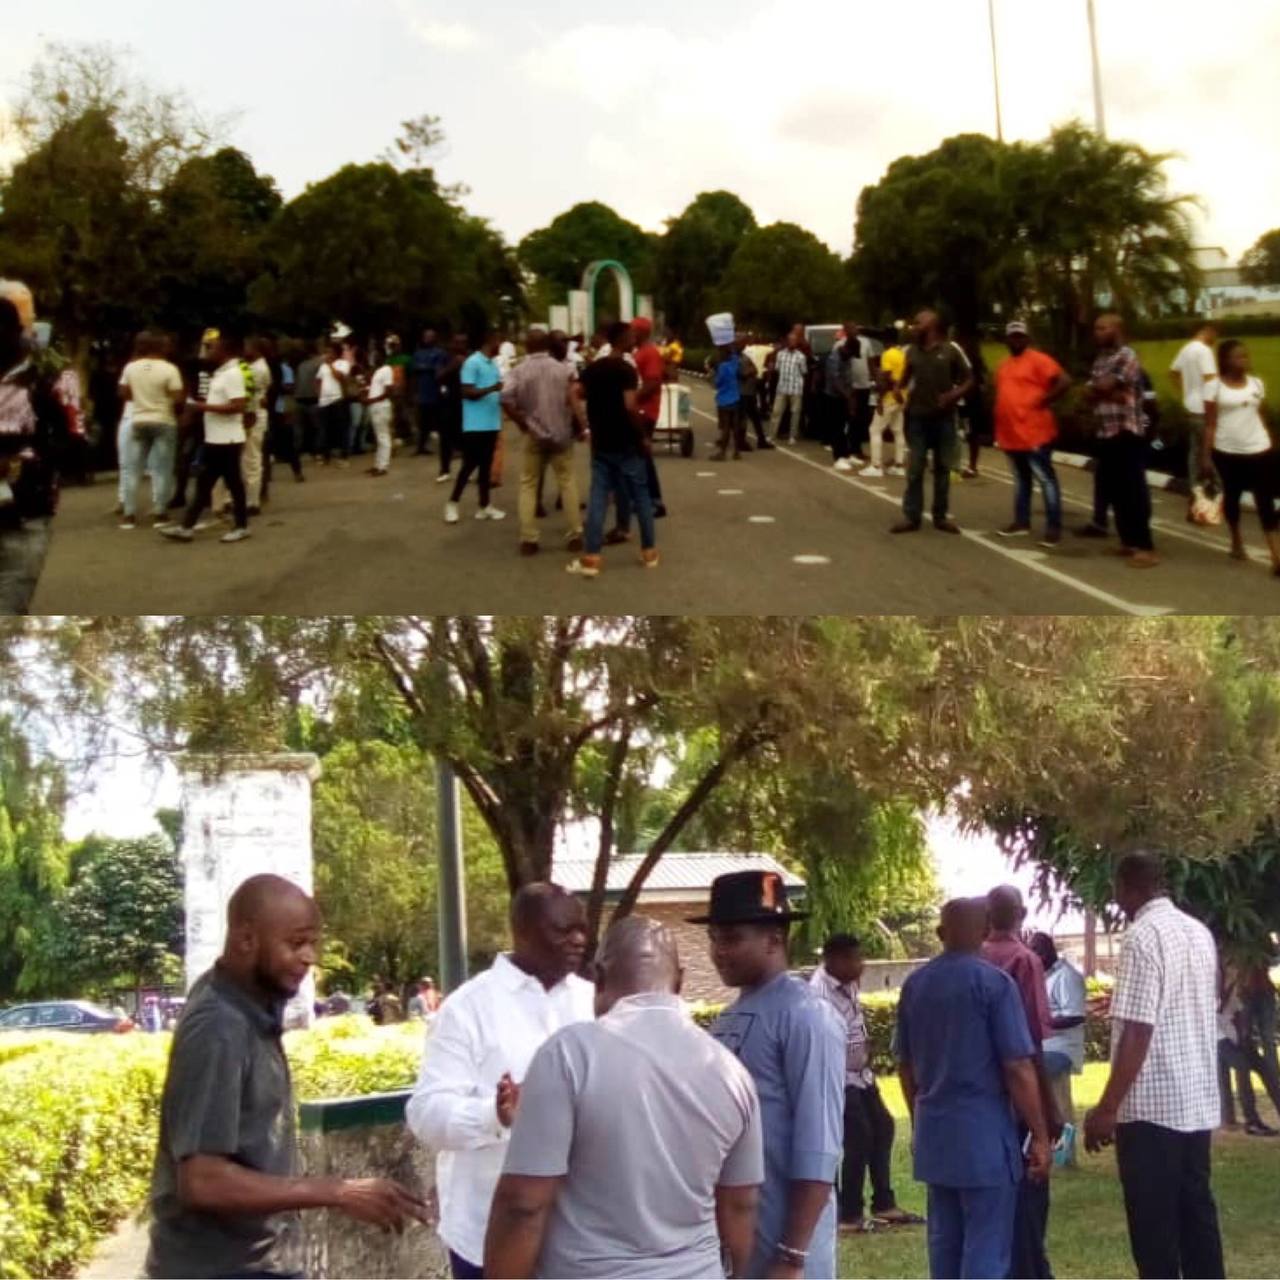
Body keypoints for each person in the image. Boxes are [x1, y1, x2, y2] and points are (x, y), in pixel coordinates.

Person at [145, 874, 428, 1278]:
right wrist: (337, 1191)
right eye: (296, 943)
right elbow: (202, 1180)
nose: (310, 957)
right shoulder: (219, 1026)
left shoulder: (246, 1004)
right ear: (246, 941)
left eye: (313, 944)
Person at [484, 917, 764, 1280]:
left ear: (598, 977)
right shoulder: (732, 1074)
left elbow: (523, 1205)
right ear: (679, 981)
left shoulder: (569, 1056)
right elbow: (741, 1205)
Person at [406, 883, 594, 1279]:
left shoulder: (593, 1002)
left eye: (582, 928)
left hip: (579, 1235)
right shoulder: (468, 1008)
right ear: (522, 931)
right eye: (564, 930)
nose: (579, 940)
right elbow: (426, 1113)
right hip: (488, 1235)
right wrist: (495, 1116)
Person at [696, 870, 844, 1279]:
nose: (718, 952)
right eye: (714, 939)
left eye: (731, 939)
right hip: (735, 1240)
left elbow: (820, 1147)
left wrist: (792, 1255)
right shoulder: (725, 1020)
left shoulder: (807, 1016)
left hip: (787, 1246)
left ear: (775, 940)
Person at [1083, 853, 1223, 1280]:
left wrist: (1107, 1108)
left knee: (1153, 1228)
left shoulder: (1141, 936)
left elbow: (1139, 1032)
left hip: (1152, 1109)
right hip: (1195, 1102)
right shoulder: (1198, 932)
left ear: (1126, 886)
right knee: (1197, 1217)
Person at [897, 898, 1051, 1280]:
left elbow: (905, 1066)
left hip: (935, 1130)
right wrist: (1040, 1134)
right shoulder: (994, 984)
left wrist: (919, 1117)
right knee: (987, 1243)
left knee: (944, 1243)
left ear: (939, 934)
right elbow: (1017, 1066)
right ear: (985, 931)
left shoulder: (915, 985)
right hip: (983, 1133)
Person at [809, 934, 921, 1235]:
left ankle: (884, 1202)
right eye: (855, 959)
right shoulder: (819, 992)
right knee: (858, 1137)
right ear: (835, 960)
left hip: (861, 1075)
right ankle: (849, 1214)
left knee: (883, 1126)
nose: (862, 965)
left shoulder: (847, 984)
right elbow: (822, 1040)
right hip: (838, 1077)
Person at [981, 886, 1061, 1280]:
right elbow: (1030, 1047)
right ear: (1022, 913)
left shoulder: (973, 959)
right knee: (1030, 1195)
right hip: (1017, 1098)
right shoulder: (1024, 961)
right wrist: (1047, 1113)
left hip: (982, 1102)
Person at [567, 321, 658, 578]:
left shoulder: (594, 368)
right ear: (621, 339)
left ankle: (592, 557)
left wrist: (584, 423)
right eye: (630, 335)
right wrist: (642, 436)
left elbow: (574, 392)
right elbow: (630, 406)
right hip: (627, 441)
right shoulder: (625, 370)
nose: (633, 339)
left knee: (598, 497)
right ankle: (649, 551)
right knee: (640, 494)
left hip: (602, 442)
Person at [161, 333, 251, 544]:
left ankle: (240, 526)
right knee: (206, 483)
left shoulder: (233, 374)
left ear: (224, 352)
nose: (208, 352)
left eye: (212, 348)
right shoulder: (220, 373)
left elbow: (238, 405)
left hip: (227, 439)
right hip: (216, 438)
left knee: (232, 484)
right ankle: (187, 527)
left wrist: (202, 407)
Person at [501, 329, 583, 557]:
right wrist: (580, 426)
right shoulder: (562, 370)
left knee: (529, 484)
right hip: (560, 433)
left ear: (527, 346)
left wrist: (521, 422)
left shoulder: (518, 371)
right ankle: (576, 533)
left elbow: (505, 398)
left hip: (534, 434)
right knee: (567, 481)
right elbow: (572, 400)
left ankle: (529, 539)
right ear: (547, 346)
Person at [891, 311, 973, 535]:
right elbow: (905, 378)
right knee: (915, 469)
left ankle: (940, 516)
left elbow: (969, 379)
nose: (914, 326)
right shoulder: (912, 351)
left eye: (918, 323)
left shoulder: (951, 350)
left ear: (932, 324)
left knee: (942, 469)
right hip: (917, 418)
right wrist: (898, 390)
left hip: (944, 419)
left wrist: (953, 395)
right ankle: (911, 516)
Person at [1202, 339, 1280, 574]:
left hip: (1259, 448)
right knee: (1233, 498)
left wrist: (1270, 442)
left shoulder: (1257, 383)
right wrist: (1205, 457)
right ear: (1226, 360)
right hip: (1227, 451)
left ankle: (1276, 556)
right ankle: (1236, 539)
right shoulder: (1214, 387)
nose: (1243, 360)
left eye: (1245, 356)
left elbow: (1260, 414)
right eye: (1238, 357)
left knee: (1264, 501)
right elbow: (1210, 424)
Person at [1085, 314, 1157, 567]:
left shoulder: (1127, 356)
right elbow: (1091, 392)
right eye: (1096, 328)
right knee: (1114, 491)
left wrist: (1105, 389)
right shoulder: (1101, 359)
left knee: (1133, 492)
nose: (1097, 332)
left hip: (1127, 431)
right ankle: (1127, 541)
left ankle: (1145, 547)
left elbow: (1103, 386)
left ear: (1117, 329)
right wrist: (1105, 390)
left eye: (1103, 327)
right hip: (1106, 432)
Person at [993, 321, 1072, 548]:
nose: (1016, 340)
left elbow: (1064, 381)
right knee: (1021, 479)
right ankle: (1021, 521)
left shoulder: (1038, 359)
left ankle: (1053, 528)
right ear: (1007, 340)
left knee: (1045, 479)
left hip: (1035, 432)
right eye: (1012, 337)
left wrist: (1045, 400)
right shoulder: (1004, 365)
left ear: (1027, 339)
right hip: (1012, 434)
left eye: (1020, 337)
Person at [1028, 933, 1087, 1165]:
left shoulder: (1067, 976)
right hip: (1043, 1046)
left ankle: (1065, 1156)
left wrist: (1039, 1021)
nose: (1036, 955)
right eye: (1032, 950)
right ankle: (1045, 1150)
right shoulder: (1042, 975)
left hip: (1061, 1048)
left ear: (1050, 950)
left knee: (1056, 1101)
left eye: (1039, 950)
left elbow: (1075, 1016)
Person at [118, 332, 185, 529]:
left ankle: (129, 515)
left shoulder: (131, 367)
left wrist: (140, 398)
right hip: (163, 420)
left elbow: (123, 393)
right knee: (162, 469)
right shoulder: (170, 369)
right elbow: (178, 397)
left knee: (132, 469)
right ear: (161, 347)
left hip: (138, 419)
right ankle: (160, 513)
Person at [444, 331, 505, 524]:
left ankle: (484, 506)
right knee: (469, 465)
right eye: (498, 342)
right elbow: (467, 391)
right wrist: (492, 389)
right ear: (489, 342)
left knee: (486, 468)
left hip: (491, 422)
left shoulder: (493, 364)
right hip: (475, 424)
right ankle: (452, 503)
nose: (500, 345)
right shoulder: (472, 363)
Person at [1217, 967, 1275, 1136]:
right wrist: (1228, 988)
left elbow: (1238, 1011)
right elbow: (1218, 1010)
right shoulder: (1218, 984)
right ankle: (1252, 1121)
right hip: (1219, 1038)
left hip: (1234, 1036)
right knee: (1242, 1067)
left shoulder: (1236, 987)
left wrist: (1244, 1035)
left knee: (1265, 1069)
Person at [1170, 323, 1219, 518]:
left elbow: (1173, 372)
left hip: (1190, 405)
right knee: (1208, 455)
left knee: (1194, 454)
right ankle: (1217, 492)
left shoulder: (1187, 348)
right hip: (1203, 408)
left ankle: (1195, 495)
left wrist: (1186, 391)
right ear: (1208, 331)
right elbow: (1210, 379)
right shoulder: (1204, 351)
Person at [627, 316, 669, 517]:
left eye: (633, 331)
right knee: (637, 456)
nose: (630, 335)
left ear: (641, 332)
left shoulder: (650, 353)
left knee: (642, 456)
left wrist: (631, 400)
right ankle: (642, 498)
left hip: (645, 411)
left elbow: (652, 384)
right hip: (640, 409)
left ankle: (655, 501)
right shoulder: (640, 352)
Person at [864, 334, 907, 478]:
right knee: (898, 430)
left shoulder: (887, 355)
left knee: (875, 429)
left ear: (886, 342)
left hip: (890, 397)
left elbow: (885, 378)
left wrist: (880, 400)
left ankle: (876, 466)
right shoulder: (902, 355)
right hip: (902, 396)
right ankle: (899, 465)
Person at [955, 334, 990, 479]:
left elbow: (982, 384)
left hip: (968, 402)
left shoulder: (967, 363)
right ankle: (970, 466)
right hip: (967, 401)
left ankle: (968, 467)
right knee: (968, 435)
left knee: (967, 434)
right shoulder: (976, 362)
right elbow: (984, 384)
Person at [821, 333, 857, 472]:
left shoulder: (846, 358)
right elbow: (835, 381)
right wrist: (847, 396)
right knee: (836, 427)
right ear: (847, 349)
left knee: (844, 426)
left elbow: (848, 377)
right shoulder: (834, 358)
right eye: (852, 353)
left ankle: (845, 454)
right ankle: (838, 457)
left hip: (844, 396)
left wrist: (851, 394)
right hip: (833, 397)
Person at [437, 334, 469, 483]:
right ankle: (444, 470)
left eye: (462, 343)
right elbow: (439, 376)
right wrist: (454, 365)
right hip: (448, 402)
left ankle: (466, 471)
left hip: (467, 404)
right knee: (445, 438)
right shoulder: (445, 358)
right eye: (456, 343)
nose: (459, 346)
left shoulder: (471, 359)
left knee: (466, 439)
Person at [413, 328, 450, 457]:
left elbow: (441, 370)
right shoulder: (418, 354)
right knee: (423, 423)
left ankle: (448, 447)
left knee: (442, 422)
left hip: (436, 392)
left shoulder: (440, 353)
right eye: (426, 336)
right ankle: (421, 447)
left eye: (430, 336)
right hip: (423, 393)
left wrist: (426, 367)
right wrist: (430, 367)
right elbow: (416, 368)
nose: (428, 339)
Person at [736, 336, 774, 451]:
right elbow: (740, 374)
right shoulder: (736, 358)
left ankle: (760, 440)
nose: (744, 344)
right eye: (741, 342)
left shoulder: (744, 356)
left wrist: (753, 371)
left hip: (749, 391)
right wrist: (750, 372)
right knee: (742, 418)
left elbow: (754, 370)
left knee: (755, 417)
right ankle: (741, 442)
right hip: (742, 392)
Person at [316, 341, 351, 465]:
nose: (327, 354)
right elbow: (318, 381)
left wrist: (331, 364)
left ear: (336, 352)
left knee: (341, 429)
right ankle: (326, 456)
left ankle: (344, 455)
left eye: (330, 352)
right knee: (325, 430)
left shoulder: (343, 364)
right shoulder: (322, 366)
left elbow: (340, 377)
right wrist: (319, 397)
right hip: (324, 401)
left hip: (337, 399)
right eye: (326, 352)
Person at [364, 346, 396, 477]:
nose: (374, 358)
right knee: (379, 437)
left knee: (383, 436)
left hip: (381, 406)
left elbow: (389, 391)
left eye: (376, 355)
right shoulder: (377, 371)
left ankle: (383, 466)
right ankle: (377, 464)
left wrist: (373, 400)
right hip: (375, 406)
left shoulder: (386, 369)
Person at [709, 341, 744, 462]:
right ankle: (737, 452)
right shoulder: (734, 362)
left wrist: (712, 376)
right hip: (735, 397)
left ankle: (722, 452)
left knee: (726, 427)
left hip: (724, 399)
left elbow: (718, 383)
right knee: (735, 426)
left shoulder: (722, 367)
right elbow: (733, 354)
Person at [773, 333, 808, 443]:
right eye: (790, 340)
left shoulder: (801, 356)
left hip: (795, 388)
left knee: (795, 413)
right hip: (782, 387)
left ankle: (792, 436)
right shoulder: (780, 354)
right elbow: (777, 369)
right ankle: (772, 435)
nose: (791, 342)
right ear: (787, 341)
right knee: (776, 412)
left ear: (797, 342)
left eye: (794, 340)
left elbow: (804, 371)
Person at [293, 340, 323, 462]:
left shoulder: (301, 365)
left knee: (301, 428)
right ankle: (315, 451)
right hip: (311, 398)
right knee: (316, 428)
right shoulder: (318, 363)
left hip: (302, 398)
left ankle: (300, 451)